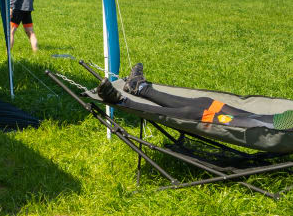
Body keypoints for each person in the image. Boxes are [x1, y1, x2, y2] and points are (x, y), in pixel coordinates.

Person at [97, 63, 293, 130]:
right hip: (271, 121)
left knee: (195, 113)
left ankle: (123, 101)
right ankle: (140, 88)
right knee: (207, 103)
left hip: (273, 129)